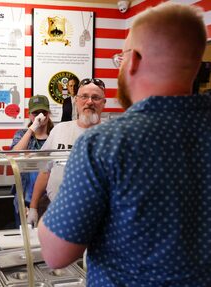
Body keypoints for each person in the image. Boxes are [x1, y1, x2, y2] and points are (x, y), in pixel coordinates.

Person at [38, 3, 210, 286]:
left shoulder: (105, 142)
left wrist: (47, 217)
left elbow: (57, 253)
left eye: (121, 57)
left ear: (135, 60)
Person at [27, 78, 106, 227]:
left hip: (99, 217)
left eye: (95, 97)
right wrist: (33, 207)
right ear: (76, 100)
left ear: (103, 103)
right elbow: (45, 171)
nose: (89, 102)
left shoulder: (112, 135)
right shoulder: (59, 130)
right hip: (57, 212)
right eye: (84, 96)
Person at [10, 95, 54, 227]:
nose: (40, 116)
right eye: (35, 113)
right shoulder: (22, 134)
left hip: (50, 200)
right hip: (26, 199)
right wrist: (31, 129)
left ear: (48, 114)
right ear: (29, 115)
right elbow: (14, 155)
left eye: (43, 112)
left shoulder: (55, 134)